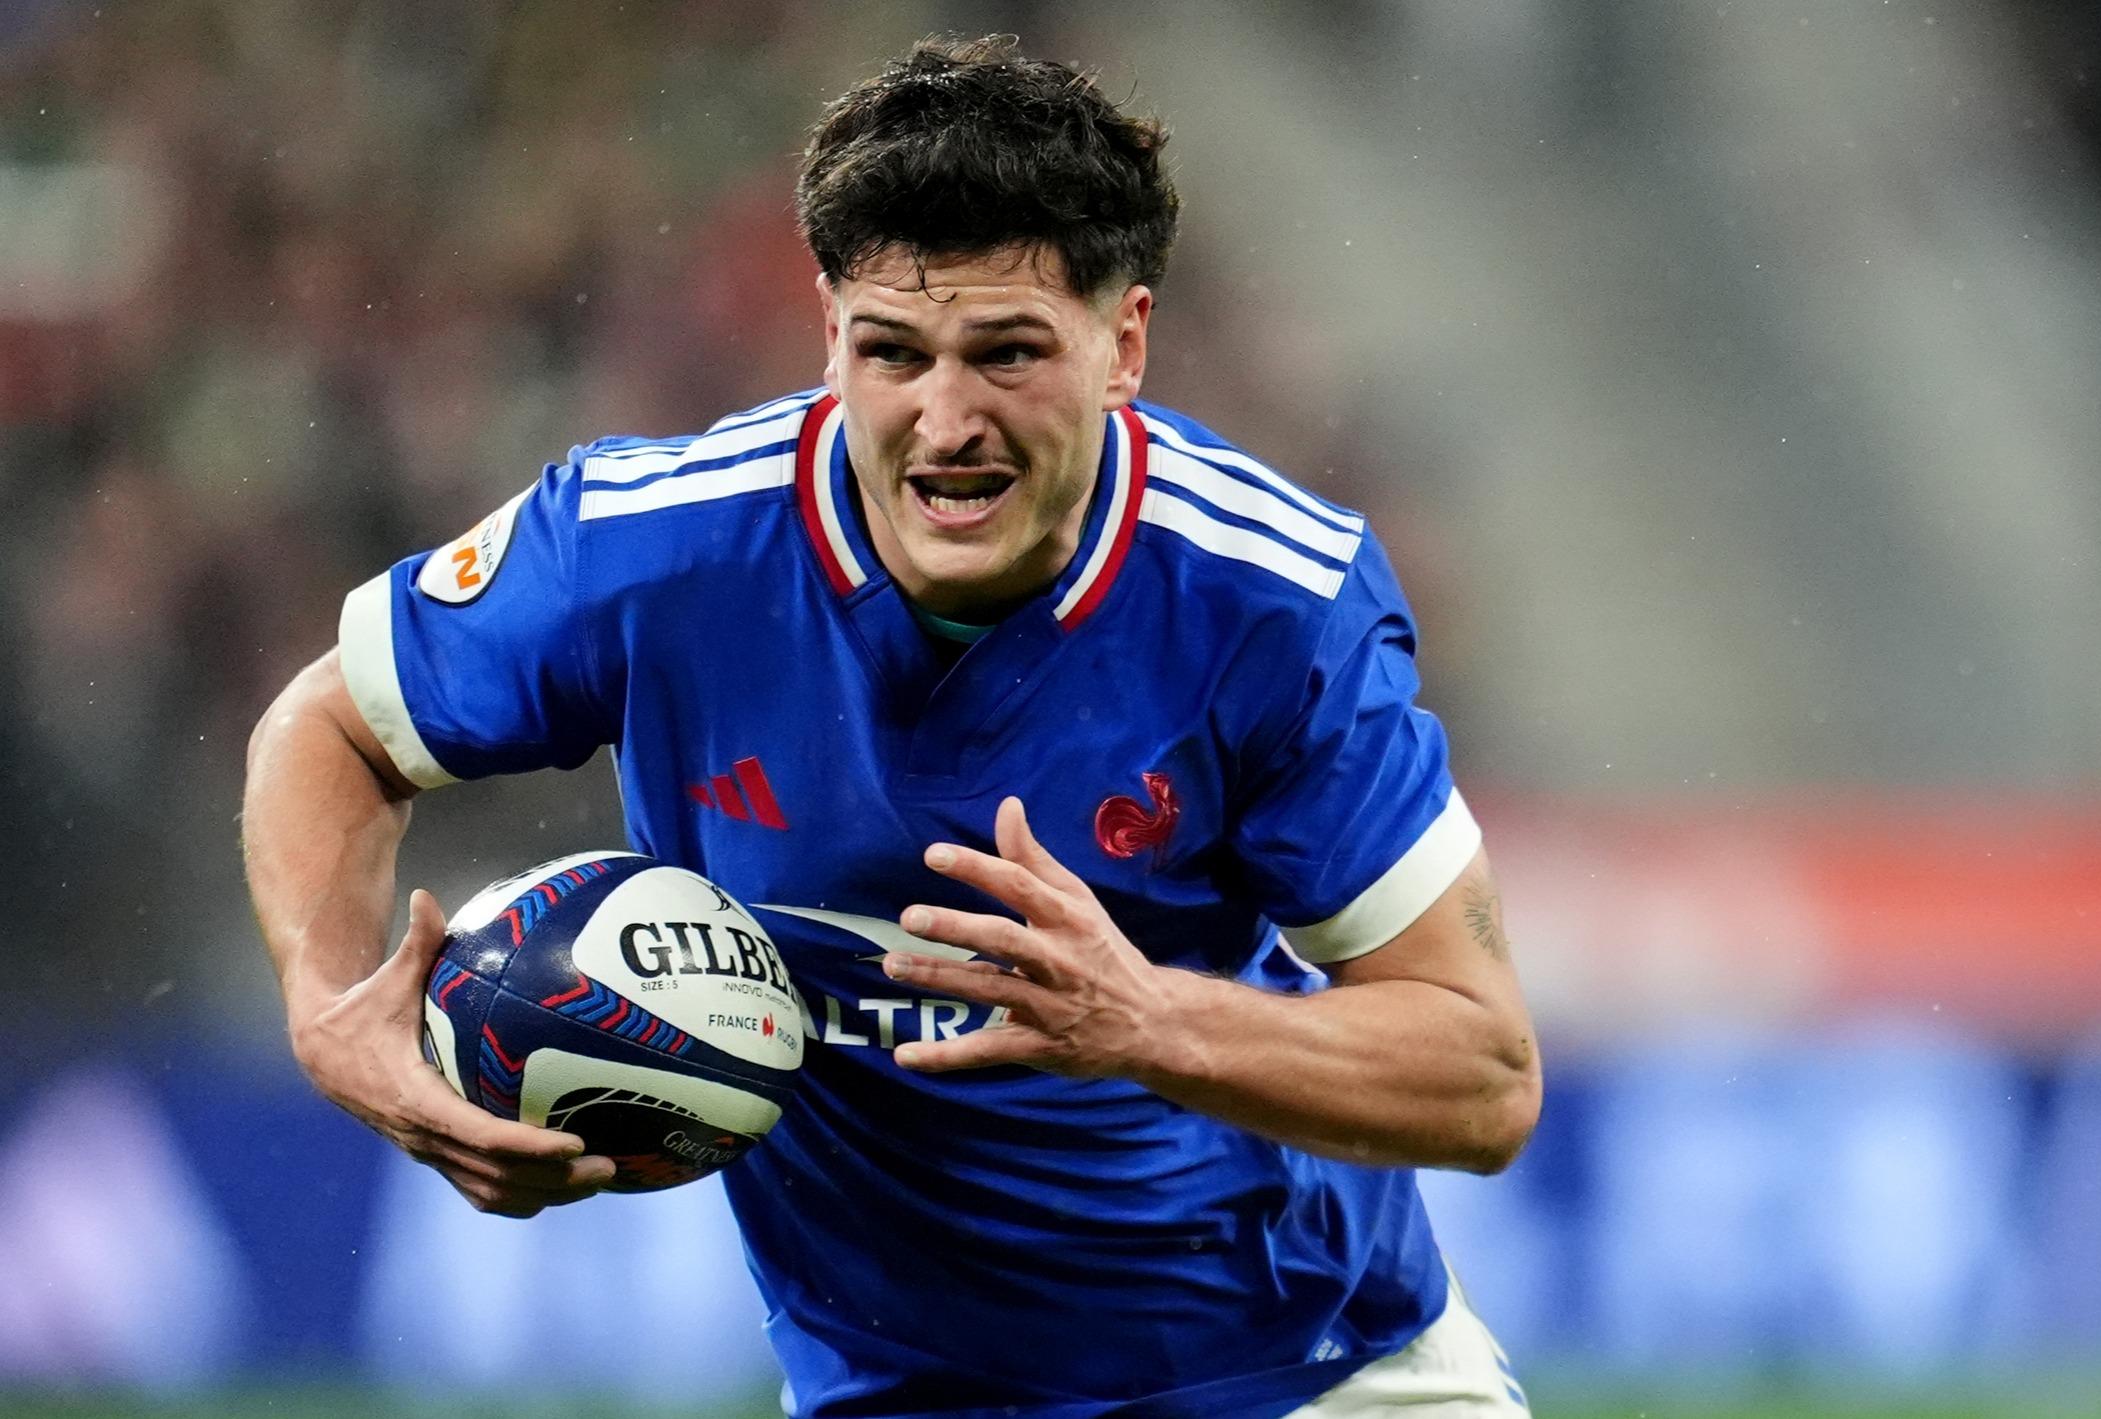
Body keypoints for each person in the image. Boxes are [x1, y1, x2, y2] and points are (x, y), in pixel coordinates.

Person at [242, 34, 1541, 1419]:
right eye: (893, 353)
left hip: (1315, 1374)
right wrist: (329, 1013)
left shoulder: (1272, 602)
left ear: (1125, 345)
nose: (945, 420)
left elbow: (1483, 1076)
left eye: (1008, 353)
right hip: (894, 1394)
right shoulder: (652, 552)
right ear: (829, 335)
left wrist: (1145, 1019)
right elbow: (332, 725)